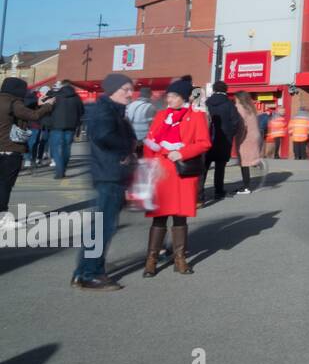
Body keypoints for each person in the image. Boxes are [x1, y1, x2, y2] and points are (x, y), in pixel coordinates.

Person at [72, 74, 137, 291]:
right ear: (112, 90)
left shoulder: (113, 110)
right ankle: (92, 274)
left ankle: (82, 272)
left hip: (110, 173)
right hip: (109, 174)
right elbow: (103, 136)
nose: (130, 93)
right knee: (103, 228)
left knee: (99, 227)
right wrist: (125, 150)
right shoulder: (106, 111)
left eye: (131, 89)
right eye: (125, 89)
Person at [141, 76, 211, 277]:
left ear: (183, 97)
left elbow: (204, 143)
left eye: (173, 96)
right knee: (159, 219)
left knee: (180, 219)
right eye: (168, 96)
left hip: (182, 173)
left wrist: (182, 152)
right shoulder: (161, 115)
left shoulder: (196, 116)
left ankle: (180, 259)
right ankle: (151, 260)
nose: (169, 99)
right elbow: (150, 142)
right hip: (161, 174)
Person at [0, 78, 54, 223]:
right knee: (5, 184)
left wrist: (36, 104)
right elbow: (33, 116)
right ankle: (3, 218)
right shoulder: (14, 102)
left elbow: (21, 112)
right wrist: (48, 106)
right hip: (10, 149)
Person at [201, 81, 240, 204]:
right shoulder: (229, 104)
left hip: (206, 138)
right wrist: (229, 134)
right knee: (220, 167)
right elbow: (235, 122)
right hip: (223, 140)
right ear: (225, 90)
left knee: (204, 167)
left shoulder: (206, 103)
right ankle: (218, 191)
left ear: (213, 89)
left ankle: (200, 192)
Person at [46, 79, 85, 180]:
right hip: (71, 127)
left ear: (62, 86)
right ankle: (63, 169)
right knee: (66, 149)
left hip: (56, 126)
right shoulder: (77, 98)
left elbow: (48, 108)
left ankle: (59, 170)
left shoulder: (56, 96)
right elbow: (82, 112)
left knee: (56, 149)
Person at [232, 91, 261, 194]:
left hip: (246, 137)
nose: (234, 100)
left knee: (244, 162)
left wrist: (237, 137)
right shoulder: (250, 108)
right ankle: (246, 185)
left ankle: (246, 187)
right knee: (247, 161)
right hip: (254, 136)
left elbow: (242, 125)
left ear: (239, 98)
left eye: (235, 98)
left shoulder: (240, 108)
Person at [125, 86, 156, 150]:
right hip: (143, 139)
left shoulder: (130, 105)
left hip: (130, 137)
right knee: (143, 158)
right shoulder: (149, 107)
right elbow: (153, 125)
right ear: (149, 95)